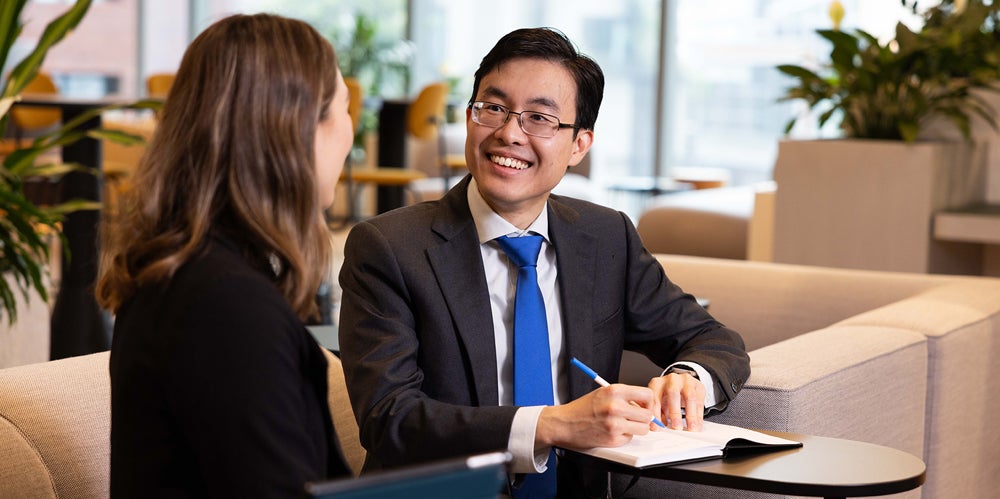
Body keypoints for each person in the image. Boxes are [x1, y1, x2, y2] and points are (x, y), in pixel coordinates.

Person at [338, 27, 750, 497]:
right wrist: (553, 425)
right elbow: (389, 417)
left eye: (539, 117)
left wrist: (688, 378)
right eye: (492, 108)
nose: (509, 133)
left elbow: (712, 339)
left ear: (579, 145)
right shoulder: (389, 247)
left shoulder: (605, 236)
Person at [96, 13, 354, 497]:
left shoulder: (194, 276)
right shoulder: (228, 308)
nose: (351, 133)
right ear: (295, 130)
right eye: (343, 109)